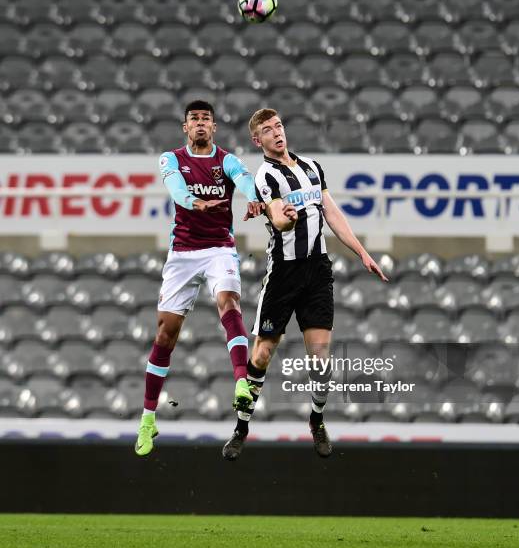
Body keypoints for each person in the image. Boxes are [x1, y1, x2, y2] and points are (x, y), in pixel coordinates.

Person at [222, 108, 388, 460]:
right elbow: (278, 217)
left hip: (317, 270)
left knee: (320, 358)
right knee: (263, 353)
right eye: (268, 130)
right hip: (284, 272)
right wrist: (286, 219)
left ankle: (316, 419)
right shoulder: (265, 176)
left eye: (279, 126)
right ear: (258, 140)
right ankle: (241, 427)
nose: (277, 133)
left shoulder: (312, 167)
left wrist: (362, 252)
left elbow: (331, 212)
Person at [135, 100, 264, 456]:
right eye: (195, 120)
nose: (201, 124)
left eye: (207, 119)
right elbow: (176, 189)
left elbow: (245, 180)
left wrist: (253, 199)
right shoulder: (171, 158)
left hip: (219, 249)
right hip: (182, 255)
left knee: (229, 301)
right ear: (185, 127)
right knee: (165, 334)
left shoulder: (228, 160)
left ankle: (241, 382)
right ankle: (148, 418)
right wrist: (194, 202)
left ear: (215, 127)